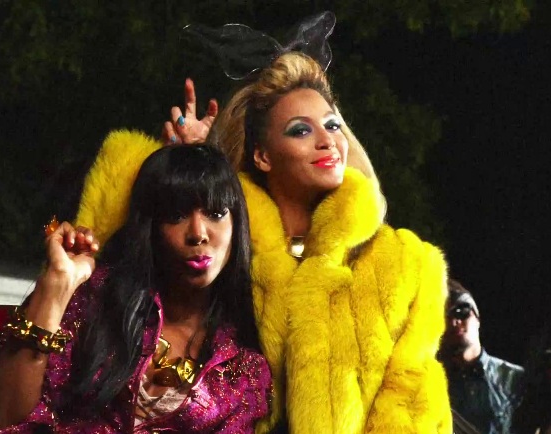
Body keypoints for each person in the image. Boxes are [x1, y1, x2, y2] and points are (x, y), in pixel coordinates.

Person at [74, 13, 452, 433]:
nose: (327, 140)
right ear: (262, 155)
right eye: (300, 130)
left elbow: (411, 398)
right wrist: (188, 170)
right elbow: (119, 266)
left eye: (333, 125)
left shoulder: (403, 263)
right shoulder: (222, 249)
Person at [0, 145, 271, 433]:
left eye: (216, 213)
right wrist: (55, 288)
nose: (198, 233)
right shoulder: (96, 299)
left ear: (237, 225)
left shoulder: (245, 367)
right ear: (151, 227)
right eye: (176, 215)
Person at [439, 278, 524, 434]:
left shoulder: (516, 380)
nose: (454, 321)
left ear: (477, 318)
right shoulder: (431, 387)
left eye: (461, 311)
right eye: (444, 317)